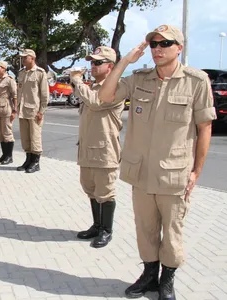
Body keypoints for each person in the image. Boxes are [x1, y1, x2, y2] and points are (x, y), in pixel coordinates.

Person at [97, 25, 217, 299]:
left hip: (174, 175)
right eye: (153, 44)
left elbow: (205, 128)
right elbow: (104, 96)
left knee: (172, 233)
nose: (158, 49)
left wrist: (197, 171)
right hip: (141, 173)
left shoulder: (196, 81)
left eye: (165, 43)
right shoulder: (138, 78)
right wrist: (125, 61)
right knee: (145, 230)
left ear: (179, 48)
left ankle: (167, 281)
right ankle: (149, 275)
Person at [69, 46, 123, 249]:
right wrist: (78, 84)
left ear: (110, 66)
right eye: (92, 62)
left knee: (105, 192)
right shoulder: (90, 86)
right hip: (87, 148)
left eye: (98, 62)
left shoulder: (114, 87)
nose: (93, 66)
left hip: (104, 150)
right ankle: (97, 225)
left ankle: (106, 230)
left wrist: (77, 81)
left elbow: (96, 103)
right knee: (90, 189)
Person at [16, 49, 49, 173]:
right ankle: (28, 160)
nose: (23, 59)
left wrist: (41, 111)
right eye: (22, 57)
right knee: (25, 137)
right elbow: (19, 91)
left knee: (35, 137)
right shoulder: (21, 73)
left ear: (32, 58)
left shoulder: (40, 73)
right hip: (22, 110)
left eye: (25, 57)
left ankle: (35, 162)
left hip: (34, 110)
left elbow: (44, 94)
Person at [0, 61, 17, 165]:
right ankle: (4, 155)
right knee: (0, 134)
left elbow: (15, 95)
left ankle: (9, 156)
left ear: (3, 68)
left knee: (7, 133)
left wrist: (15, 110)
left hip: (6, 108)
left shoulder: (9, 80)